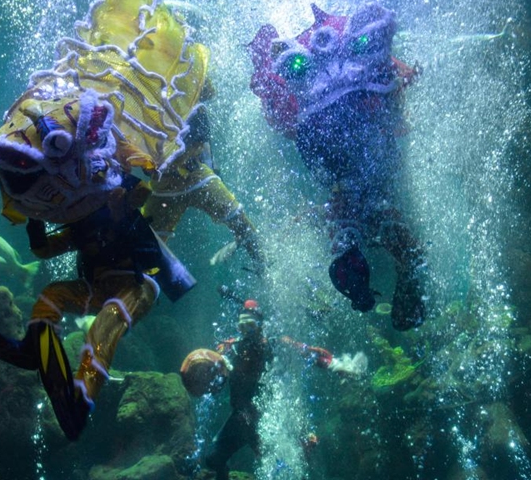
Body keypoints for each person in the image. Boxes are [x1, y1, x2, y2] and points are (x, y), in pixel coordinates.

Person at [0, 0, 209, 441]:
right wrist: (33, 222)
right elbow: (46, 250)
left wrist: (125, 195)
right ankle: (29, 348)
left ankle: (80, 400)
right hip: (92, 283)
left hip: (135, 283)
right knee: (50, 296)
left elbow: (144, 191)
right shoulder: (84, 220)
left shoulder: (118, 199)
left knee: (111, 318)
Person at [247, 3, 426, 331]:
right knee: (369, 213)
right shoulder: (367, 205)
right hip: (360, 164)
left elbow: (302, 143)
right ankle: (393, 275)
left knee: (361, 215)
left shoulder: (354, 205)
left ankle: (389, 276)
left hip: (346, 167)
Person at [199, 300, 367, 480]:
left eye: (251, 326)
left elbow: (308, 352)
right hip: (239, 420)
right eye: (242, 326)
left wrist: (337, 365)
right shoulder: (231, 348)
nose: (246, 332)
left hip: (267, 418)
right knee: (212, 459)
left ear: (261, 326)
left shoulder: (275, 344)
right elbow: (209, 365)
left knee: (286, 463)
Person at [141, 81, 265, 269]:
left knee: (240, 221)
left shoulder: (190, 94)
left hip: (195, 175)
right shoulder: (146, 102)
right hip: (167, 182)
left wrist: (211, 168)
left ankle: (263, 266)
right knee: (146, 246)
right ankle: (142, 287)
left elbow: (203, 138)